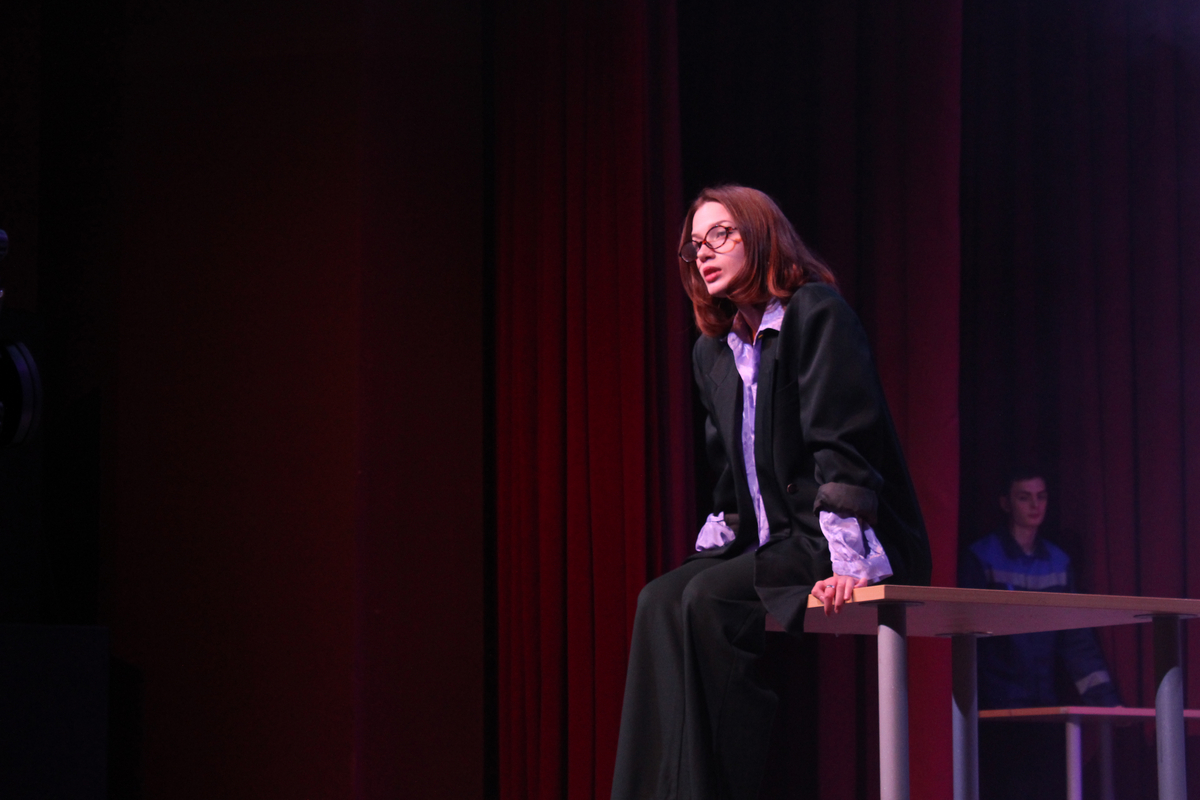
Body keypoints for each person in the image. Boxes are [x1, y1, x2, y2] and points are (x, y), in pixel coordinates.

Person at [610, 185, 932, 800]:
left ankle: (714, 788)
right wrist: (717, 543)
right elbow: (731, 475)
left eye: (720, 235)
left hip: (834, 534)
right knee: (658, 600)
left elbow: (843, 441)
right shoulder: (713, 351)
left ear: (760, 234)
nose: (704, 253)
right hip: (770, 539)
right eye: (694, 246)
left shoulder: (816, 312)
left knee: (707, 599)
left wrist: (847, 561)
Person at [958, 469, 1118, 800]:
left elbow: (1076, 639)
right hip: (994, 711)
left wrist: (1106, 703)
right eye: (1024, 497)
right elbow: (969, 639)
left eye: (1041, 497)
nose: (1035, 505)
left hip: (1043, 707)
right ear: (1006, 503)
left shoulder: (1058, 562)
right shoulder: (982, 556)